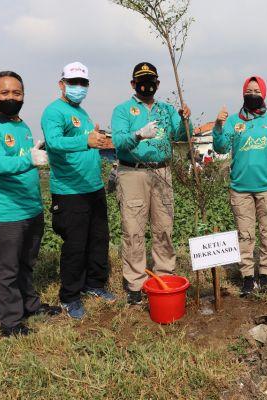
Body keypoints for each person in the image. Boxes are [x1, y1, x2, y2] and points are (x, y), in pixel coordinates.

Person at [0, 71, 60, 337]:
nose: (11, 97)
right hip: (4, 211)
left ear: (23, 96)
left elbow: (26, 156)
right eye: (5, 92)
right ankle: (10, 322)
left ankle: (30, 306)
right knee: (8, 268)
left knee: (26, 263)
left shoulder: (21, 126)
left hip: (30, 208)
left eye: (17, 93)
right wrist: (29, 160)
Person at [111, 62, 192, 305]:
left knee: (164, 227)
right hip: (132, 172)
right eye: (141, 81)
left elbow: (182, 136)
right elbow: (118, 142)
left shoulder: (166, 110)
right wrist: (138, 135)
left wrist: (185, 120)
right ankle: (135, 283)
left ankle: (164, 275)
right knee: (133, 229)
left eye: (151, 81)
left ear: (157, 83)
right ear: (133, 84)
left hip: (162, 171)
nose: (146, 85)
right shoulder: (122, 111)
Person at [41, 62, 116, 319]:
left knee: (98, 238)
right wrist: (85, 139)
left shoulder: (82, 113)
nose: (78, 87)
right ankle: (70, 297)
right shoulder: (53, 111)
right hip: (69, 190)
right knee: (75, 244)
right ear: (61, 84)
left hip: (93, 186)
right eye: (73, 82)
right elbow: (54, 142)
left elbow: (86, 142)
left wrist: (96, 138)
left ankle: (94, 284)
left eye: (83, 83)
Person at [213, 76, 267, 296]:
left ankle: (266, 275)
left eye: (257, 91)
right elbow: (220, 148)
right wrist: (218, 126)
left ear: (264, 94)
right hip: (240, 188)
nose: (253, 94)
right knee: (244, 234)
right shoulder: (233, 121)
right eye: (249, 91)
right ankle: (247, 277)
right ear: (243, 93)